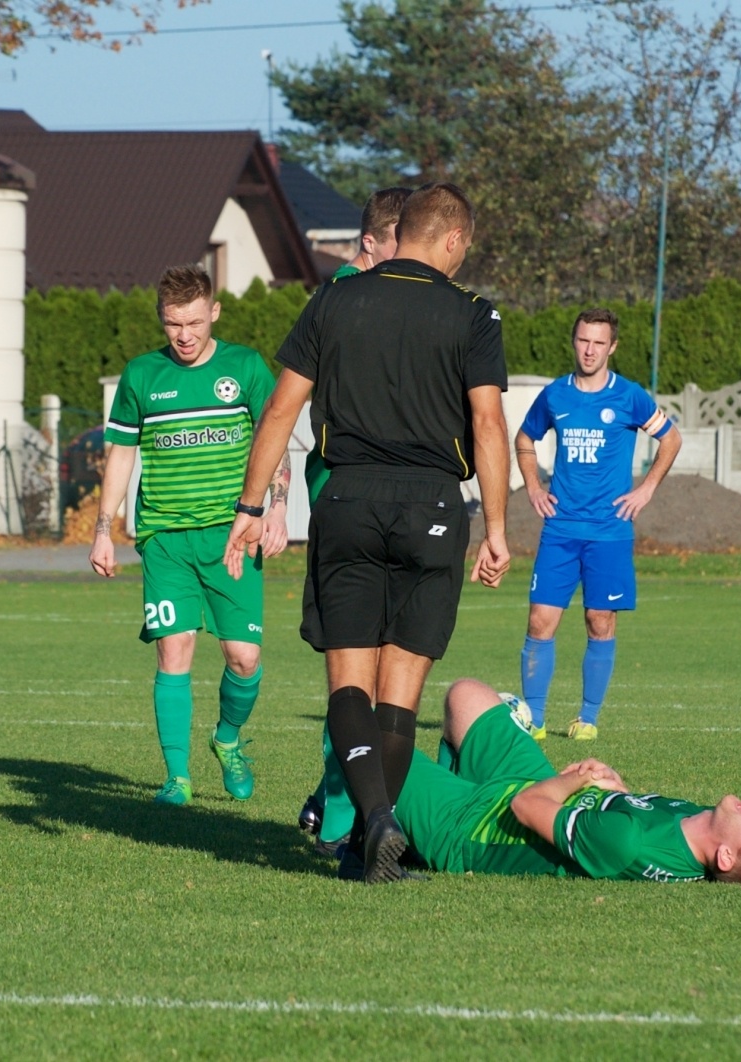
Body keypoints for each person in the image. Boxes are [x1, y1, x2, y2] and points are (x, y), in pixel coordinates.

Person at [225, 182, 512, 883]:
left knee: (348, 680)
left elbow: (280, 411)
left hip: (348, 498)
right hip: (434, 507)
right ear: (450, 240)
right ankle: (368, 840)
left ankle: (371, 830)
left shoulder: (332, 300)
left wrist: (251, 506)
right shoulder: (472, 314)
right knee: (402, 688)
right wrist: (498, 527)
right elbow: (488, 425)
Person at [92, 266, 291, 804]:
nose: (183, 335)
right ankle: (176, 777)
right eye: (173, 324)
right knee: (173, 649)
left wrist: (277, 508)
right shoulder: (142, 376)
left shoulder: (245, 367)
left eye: (194, 323)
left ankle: (226, 740)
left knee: (243, 657)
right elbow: (121, 455)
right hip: (165, 538)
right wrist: (103, 529)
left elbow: (273, 443)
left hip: (233, 537)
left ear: (215, 313)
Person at [394, 679, 741, 885]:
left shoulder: (627, 844)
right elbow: (629, 808)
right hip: (529, 783)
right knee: (467, 694)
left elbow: (526, 808)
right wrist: (615, 786)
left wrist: (576, 780)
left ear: (726, 858)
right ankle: (423, 797)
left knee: (369, 735)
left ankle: (344, 831)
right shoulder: (698, 822)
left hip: (475, 827)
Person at [298, 185, 412, 852]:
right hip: (349, 500)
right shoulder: (344, 297)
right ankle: (345, 825)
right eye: (404, 247)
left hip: (385, 503)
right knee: (355, 673)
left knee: (374, 671)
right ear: (371, 245)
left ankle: (333, 801)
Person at [516, 308, 681, 741]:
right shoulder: (555, 396)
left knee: (600, 620)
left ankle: (587, 719)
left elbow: (671, 438)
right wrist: (533, 485)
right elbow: (524, 438)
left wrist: (645, 489)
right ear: (574, 342)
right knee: (539, 621)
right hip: (560, 529)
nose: (589, 350)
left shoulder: (629, 397)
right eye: (583, 340)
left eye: (598, 343)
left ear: (612, 347)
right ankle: (534, 718)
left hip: (609, 532)